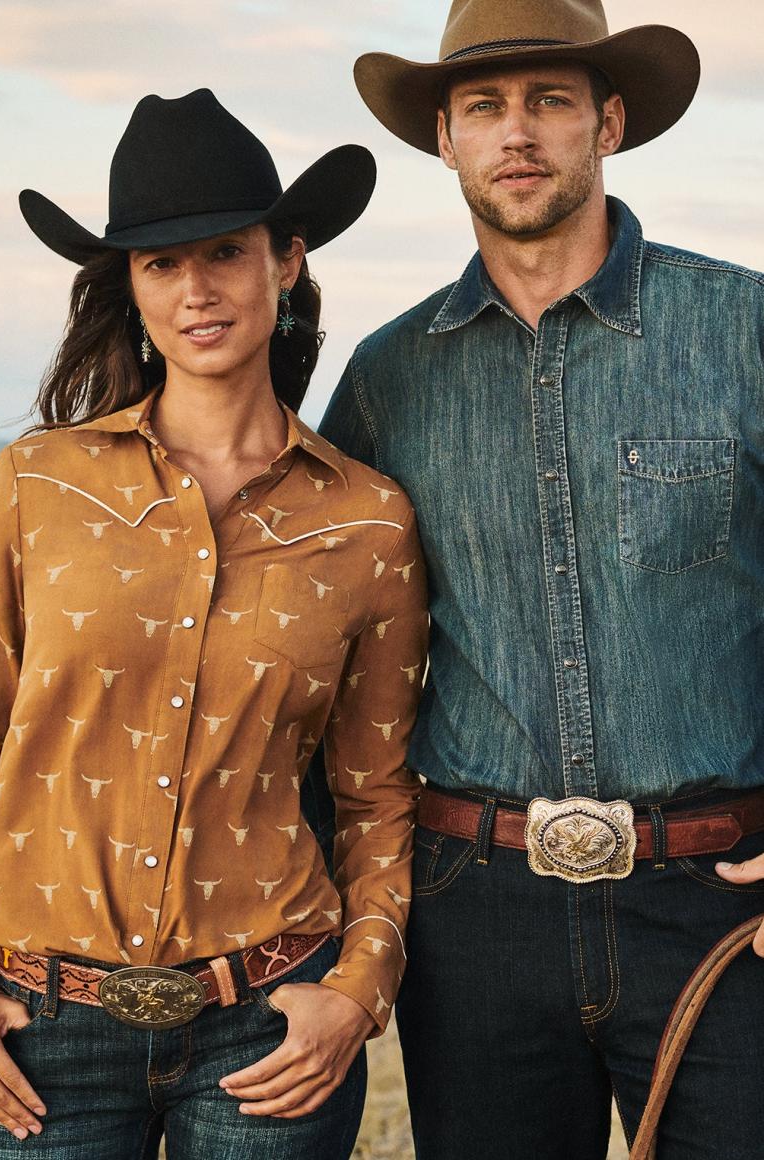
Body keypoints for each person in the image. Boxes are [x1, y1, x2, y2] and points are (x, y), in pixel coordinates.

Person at [0, 88, 429, 1160]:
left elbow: (377, 798)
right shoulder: (38, 483)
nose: (196, 289)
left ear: (286, 261)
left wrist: (358, 987)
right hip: (44, 1038)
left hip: (268, 1028)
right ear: (130, 286)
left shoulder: (367, 520)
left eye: (226, 252)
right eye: (160, 263)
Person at [312, 1, 764, 1157]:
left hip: (721, 898)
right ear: (444, 138)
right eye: (482, 106)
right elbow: (321, 646)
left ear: (606, 122)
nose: (514, 132)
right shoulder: (385, 378)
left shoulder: (741, 327)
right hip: (474, 910)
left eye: (548, 100)